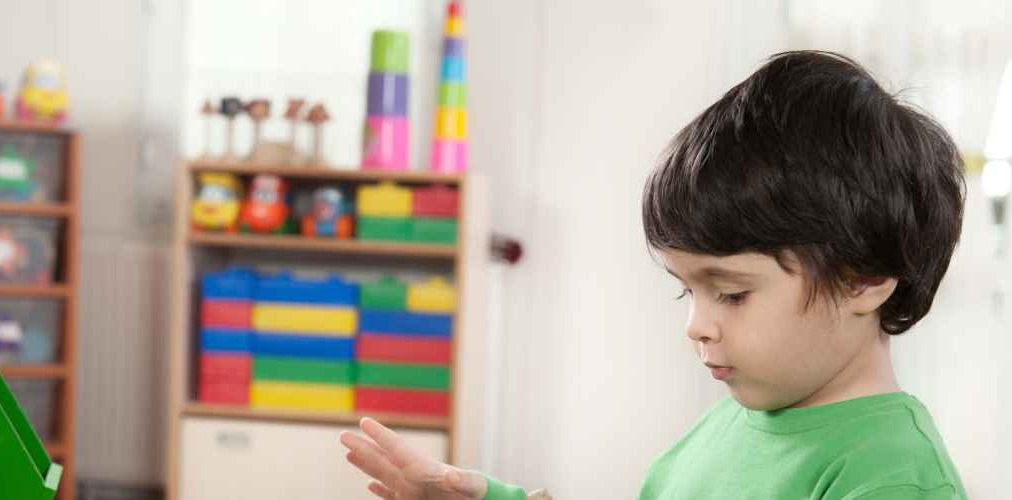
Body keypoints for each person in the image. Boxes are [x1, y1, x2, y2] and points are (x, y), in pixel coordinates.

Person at [339, 50, 968, 499]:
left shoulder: (893, 475)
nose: (696, 326)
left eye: (731, 293)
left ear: (865, 279)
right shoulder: (738, 417)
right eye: (686, 289)